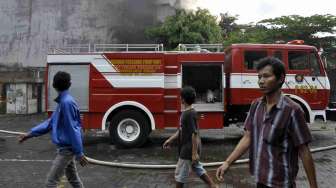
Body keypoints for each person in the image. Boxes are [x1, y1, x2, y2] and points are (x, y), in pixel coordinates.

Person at [216, 57, 318, 188]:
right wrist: (227, 163)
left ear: (281, 78)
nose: (261, 81)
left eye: (266, 76)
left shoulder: (293, 111)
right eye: (259, 77)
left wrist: (313, 186)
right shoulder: (256, 105)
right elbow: (248, 137)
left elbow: (304, 151)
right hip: (261, 180)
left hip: (282, 184)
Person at [19, 71, 88, 188]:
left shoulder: (66, 103)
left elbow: (73, 129)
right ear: (70, 84)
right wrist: (30, 134)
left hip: (67, 150)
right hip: (67, 148)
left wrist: (79, 153)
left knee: (50, 183)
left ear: (54, 85)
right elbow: (50, 123)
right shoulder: (64, 102)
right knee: (74, 180)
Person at [163, 86, 217, 188]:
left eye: (180, 97)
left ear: (183, 99)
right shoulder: (190, 112)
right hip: (191, 148)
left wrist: (194, 153)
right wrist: (170, 139)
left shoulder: (188, 114)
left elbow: (194, 133)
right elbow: (182, 130)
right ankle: (213, 186)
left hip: (188, 149)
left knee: (180, 175)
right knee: (197, 167)